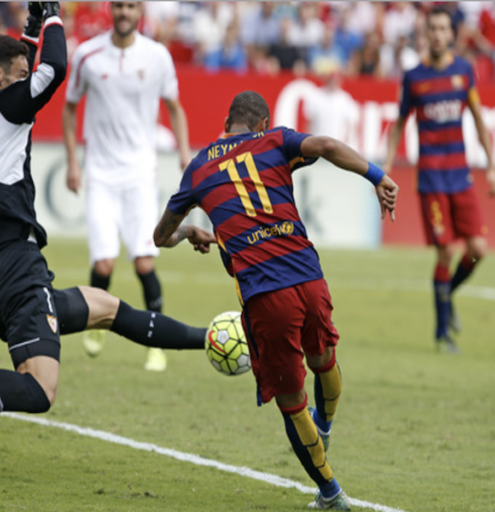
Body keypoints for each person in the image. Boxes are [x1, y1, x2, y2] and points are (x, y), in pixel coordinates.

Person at [0, 2, 212, 444]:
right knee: (39, 389)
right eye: (18, 74)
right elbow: (54, 67)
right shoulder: (6, 112)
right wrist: (52, 12)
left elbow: (30, 65)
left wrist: (33, 27)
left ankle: (211, 337)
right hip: (17, 270)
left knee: (108, 309)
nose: (25, 82)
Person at [153, 91, 398, 510]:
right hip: (310, 278)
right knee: (325, 361)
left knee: (290, 401)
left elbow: (160, 237)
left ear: (227, 122)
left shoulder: (199, 168)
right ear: (263, 122)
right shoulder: (275, 141)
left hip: (267, 296)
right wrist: (377, 176)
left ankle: (330, 493)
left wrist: (189, 232)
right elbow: (327, 145)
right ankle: (326, 427)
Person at [63, 2, 192, 371]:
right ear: (111, 10)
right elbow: (69, 108)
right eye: (118, 5)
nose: (124, 12)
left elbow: (175, 107)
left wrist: (185, 153)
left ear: (140, 12)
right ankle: (97, 323)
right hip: (101, 173)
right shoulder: (88, 55)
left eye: (131, 6)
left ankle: (156, 345)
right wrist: (73, 161)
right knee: (103, 262)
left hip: (139, 173)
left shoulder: (158, 57)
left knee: (145, 260)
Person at [384, 6, 495, 353]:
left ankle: (447, 294)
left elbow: (479, 120)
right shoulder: (414, 77)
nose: (437, 34)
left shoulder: (464, 72)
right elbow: (399, 122)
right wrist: (388, 163)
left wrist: (493, 167)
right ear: (426, 34)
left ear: (451, 34)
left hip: (461, 177)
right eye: (431, 29)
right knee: (446, 251)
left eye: (442, 29)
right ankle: (441, 334)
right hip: (432, 181)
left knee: (478, 250)